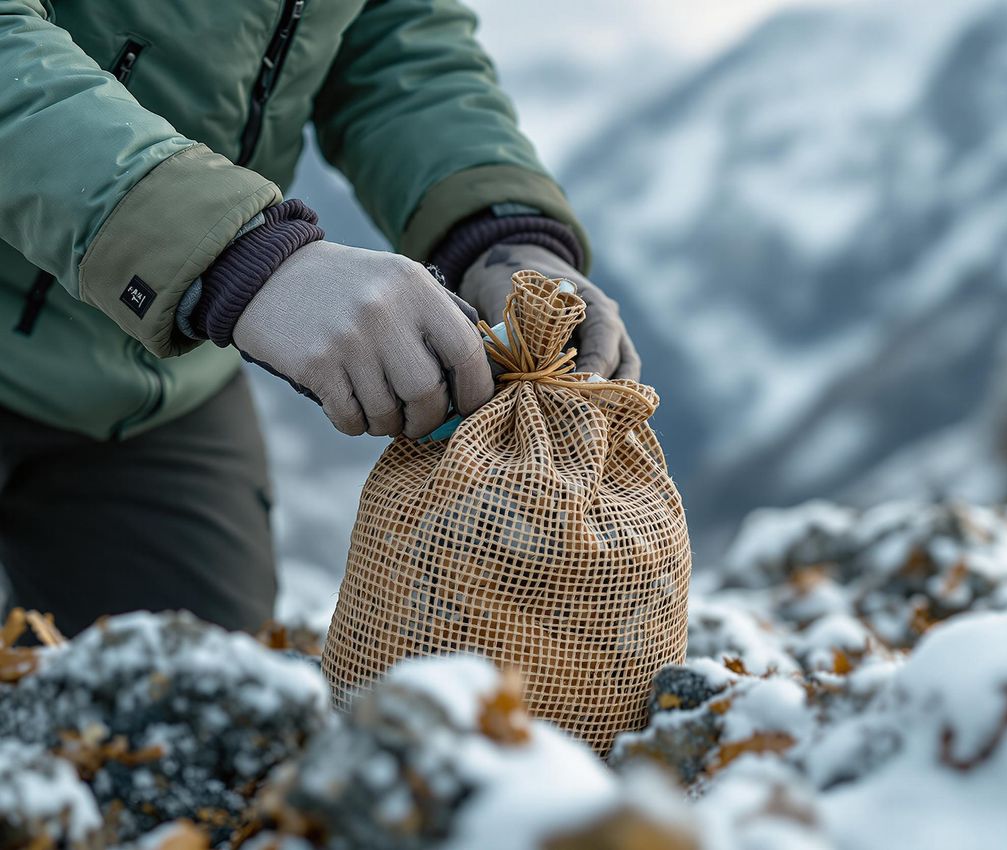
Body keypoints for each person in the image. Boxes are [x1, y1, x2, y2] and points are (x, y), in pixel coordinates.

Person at [0, 0, 639, 637]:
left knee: (201, 708)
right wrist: (237, 256)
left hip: (148, 392)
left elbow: (394, 38)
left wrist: (497, 230)